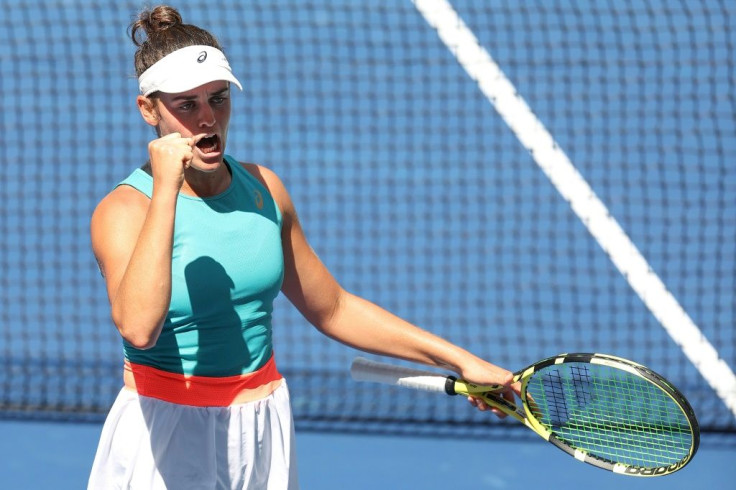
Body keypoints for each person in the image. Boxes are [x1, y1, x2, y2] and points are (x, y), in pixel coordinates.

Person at [87, 5, 520, 489]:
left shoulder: (263, 188)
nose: (208, 119)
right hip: (163, 433)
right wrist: (166, 189)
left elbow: (332, 307)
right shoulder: (123, 211)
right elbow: (140, 328)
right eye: (186, 105)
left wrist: (459, 359)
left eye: (218, 98)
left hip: (261, 427)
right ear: (149, 109)